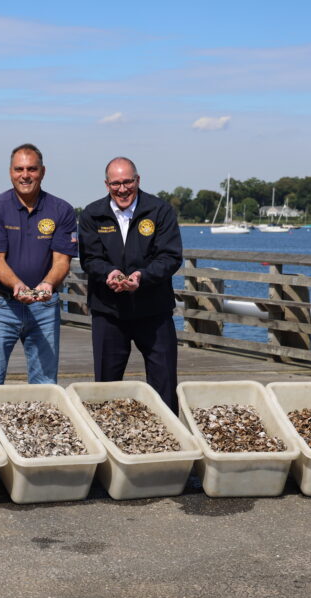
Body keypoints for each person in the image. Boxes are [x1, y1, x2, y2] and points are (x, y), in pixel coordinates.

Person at [78, 157, 183, 412]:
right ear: (106, 184)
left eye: (127, 182)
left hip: (154, 311)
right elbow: (89, 259)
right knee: (105, 385)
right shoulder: (92, 214)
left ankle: (169, 440)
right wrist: (109, 273)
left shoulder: (160, 210)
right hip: (109, 312)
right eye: (116, 183)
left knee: (164, 382)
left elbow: (170, 256)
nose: (122, 189)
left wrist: (141, 277)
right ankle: (107, 439)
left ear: (138, 180)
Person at [0, 144, 76, 400]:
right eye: (19, 169)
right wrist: (17, 285)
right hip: (0, 305)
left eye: (32, 169)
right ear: (10, 172)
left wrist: (47, 285)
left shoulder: (61, 210)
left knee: (45, 385)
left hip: (44, 306)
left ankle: (43, 437)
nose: (25, 175)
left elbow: (62, 261)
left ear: (43, 171)